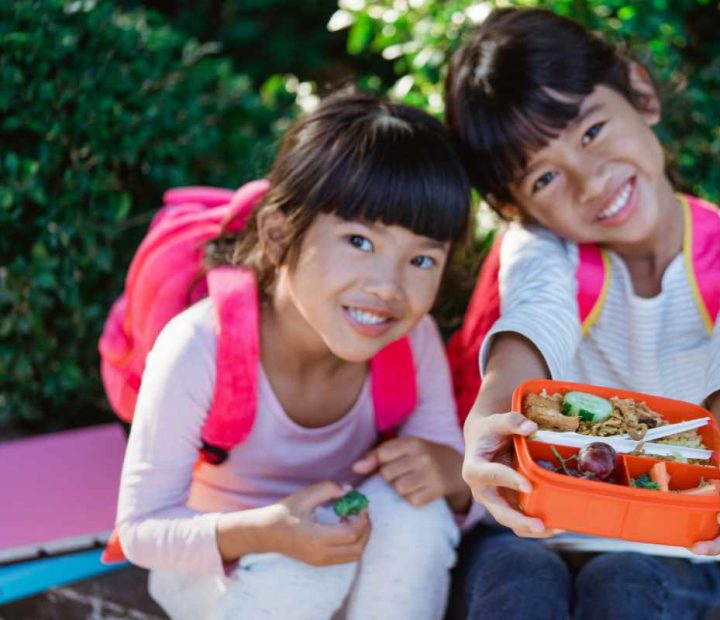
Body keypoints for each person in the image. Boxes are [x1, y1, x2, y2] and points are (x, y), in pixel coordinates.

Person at [443, 8, 720, 619]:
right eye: (546, 177)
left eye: (591, 132)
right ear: (513, 206)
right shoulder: (542, 246)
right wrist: (488, 421)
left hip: (666, 542)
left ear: (639, 90)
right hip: (529, 527)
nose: (590, 183)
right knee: (518, 579)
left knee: (625, 580)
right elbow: (532, 322)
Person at [114, 91, 477, 619]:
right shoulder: (199, 347)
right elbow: (141, 531)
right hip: (220, 566)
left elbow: (445, 479)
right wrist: (271, 532)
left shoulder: (410, 341)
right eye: (358, 241)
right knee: (303, 572)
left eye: (421, 258)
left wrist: (452, 472)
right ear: (280, 236)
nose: (388, 288)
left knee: (417, 512)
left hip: (343, 551)